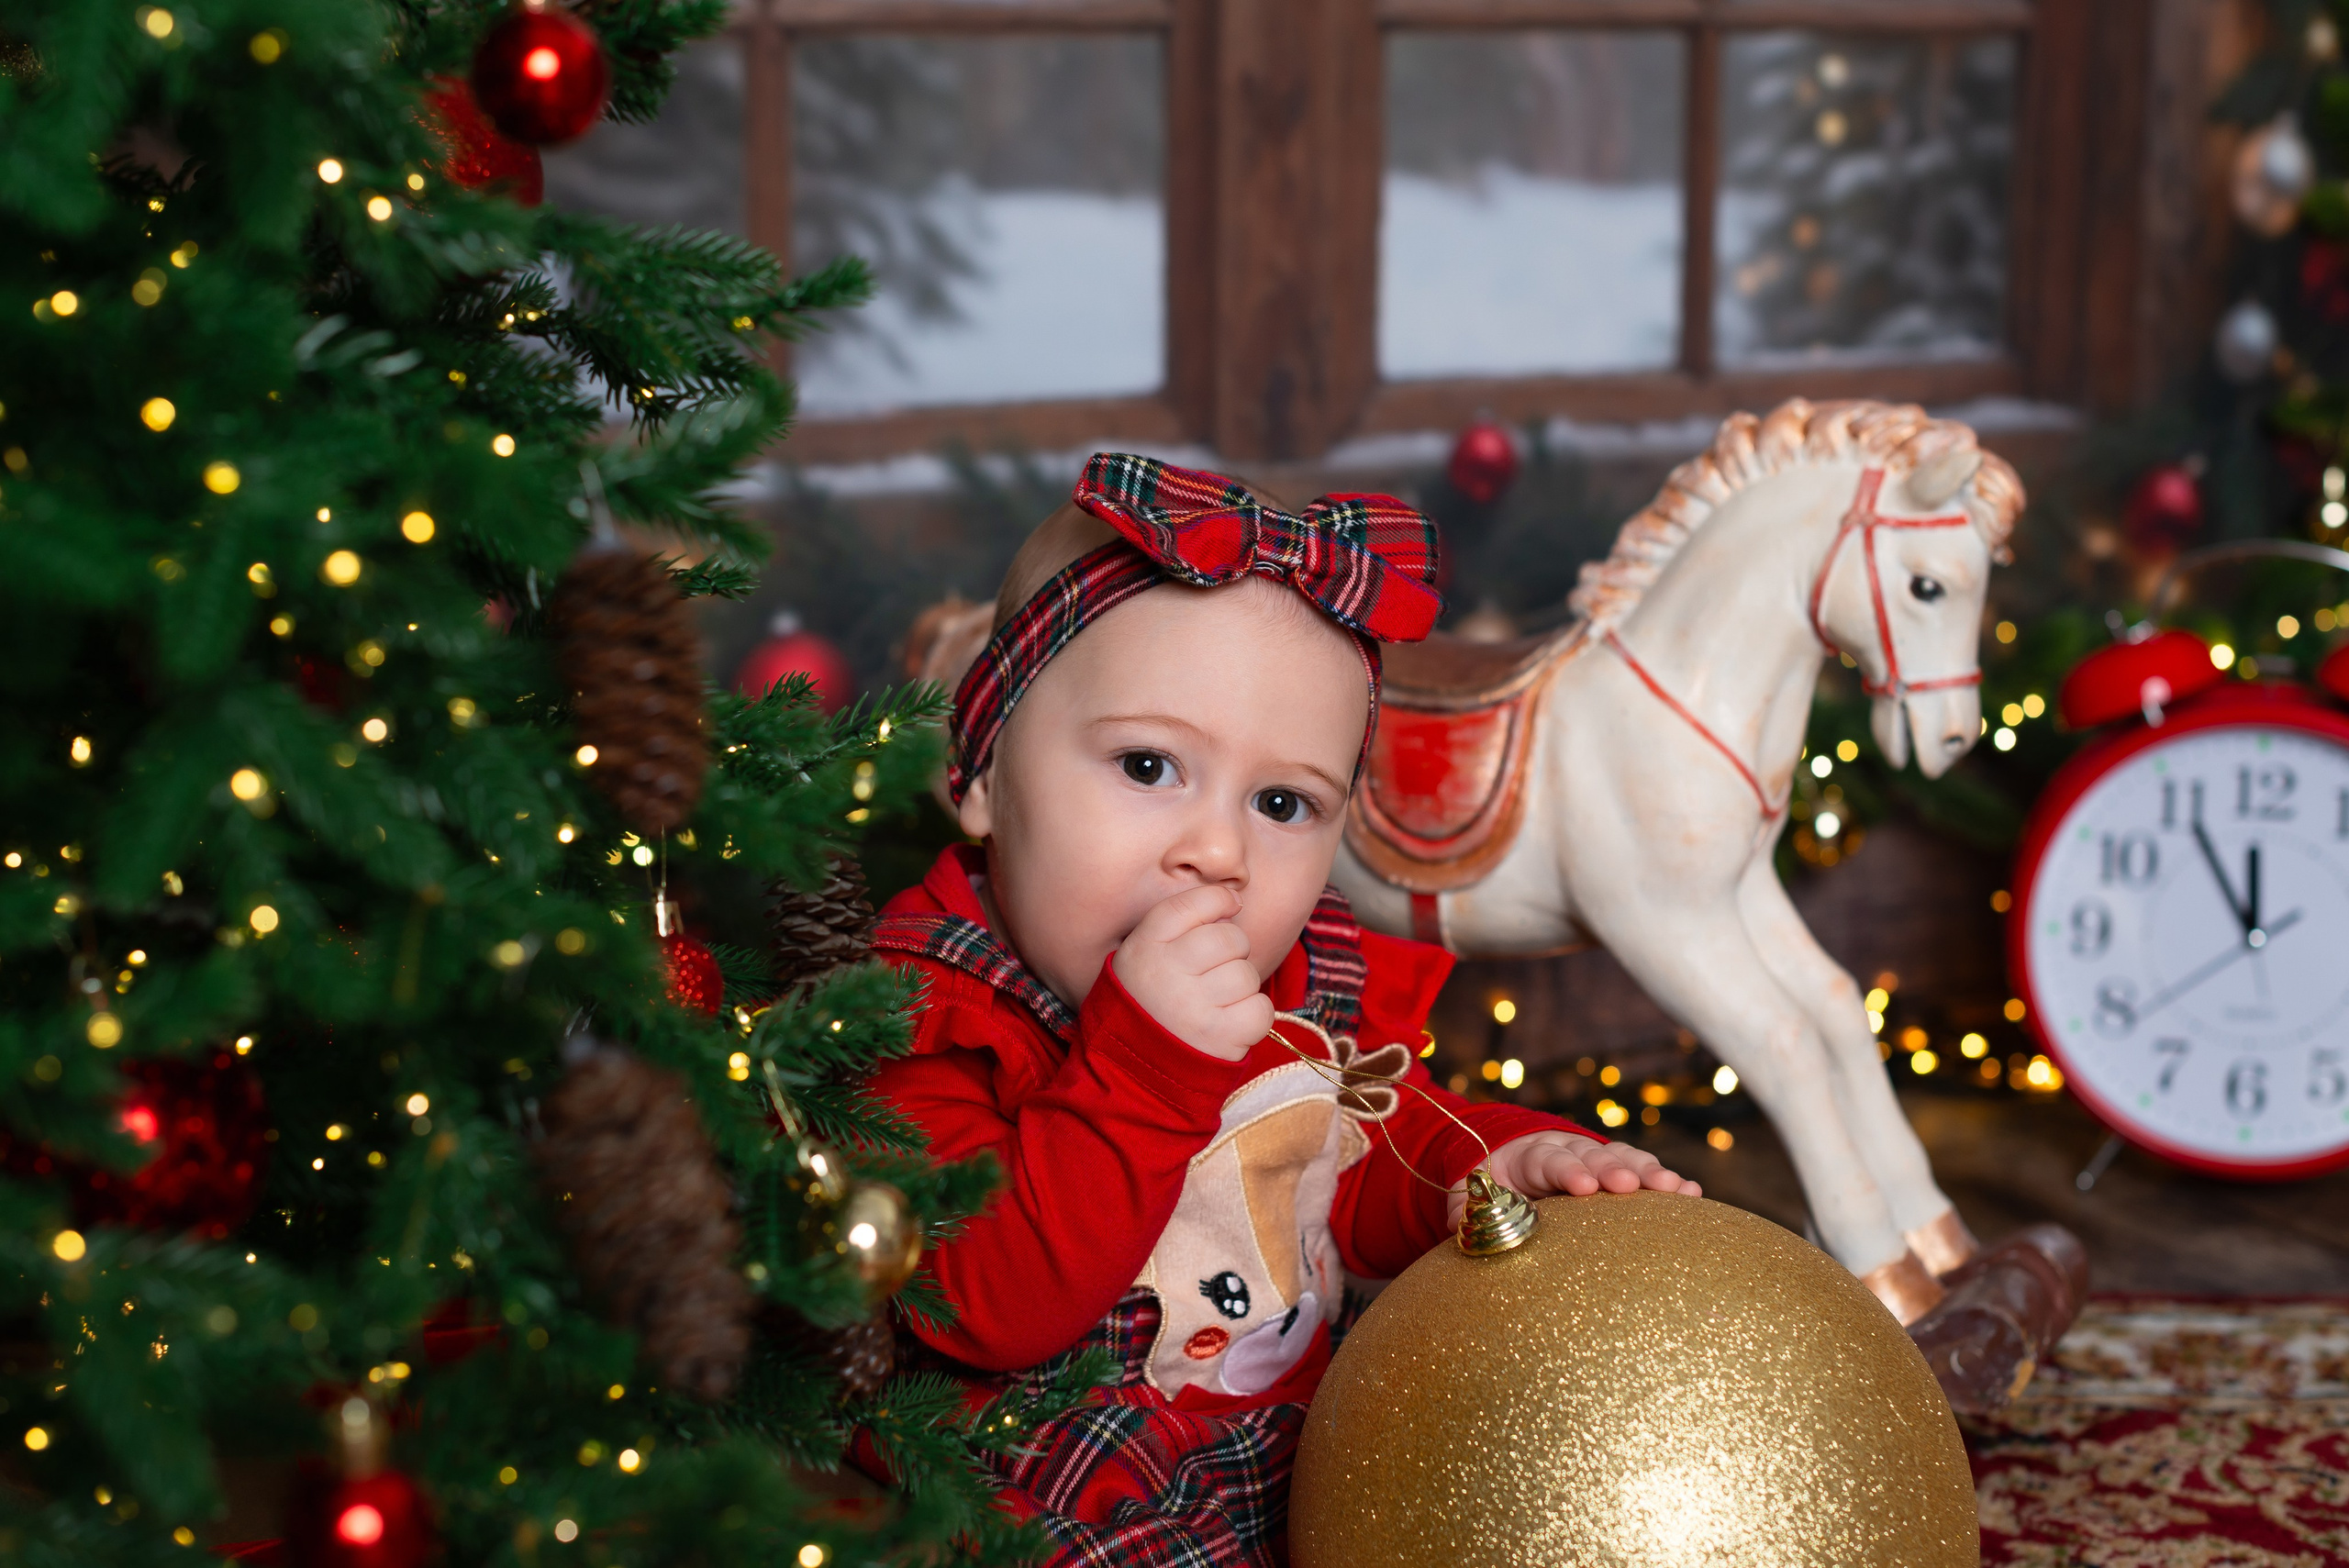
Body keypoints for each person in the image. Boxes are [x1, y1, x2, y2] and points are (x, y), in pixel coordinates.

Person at [865, 453, 1699, 1566]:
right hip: (1060, 1484)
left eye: (1281, 801)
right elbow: (990, 1301)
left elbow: (1362, 1164)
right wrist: (1148, 1063)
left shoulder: (1294, 996)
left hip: (1300, 1446)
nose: (1216, 851)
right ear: (980, 774)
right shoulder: (930, 1015)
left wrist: (1496, 1163)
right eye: (1148, 763)